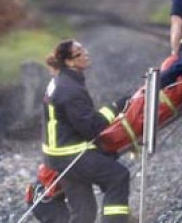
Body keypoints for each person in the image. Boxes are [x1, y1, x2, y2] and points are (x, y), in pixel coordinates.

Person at [42, 40, 130, 223]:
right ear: (70, 62)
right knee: (118, 177)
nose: (86, 53)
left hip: (57, 156)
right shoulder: (70, 90)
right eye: (80, 52)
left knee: (84, 212)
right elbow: (90, 128)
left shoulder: (61, 81)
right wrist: (115, 107)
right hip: (71, 154)